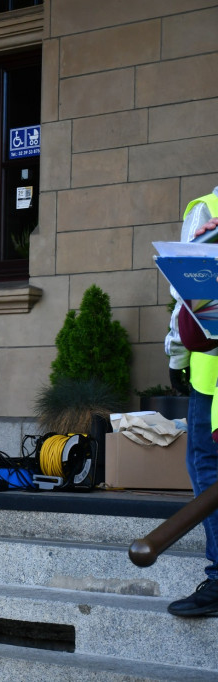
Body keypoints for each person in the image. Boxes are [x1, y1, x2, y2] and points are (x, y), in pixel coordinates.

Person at [165, 188, 218, 617]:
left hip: (212, 375)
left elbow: (188, 291)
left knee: (208, 466)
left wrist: (176, 357)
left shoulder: (208, 210)